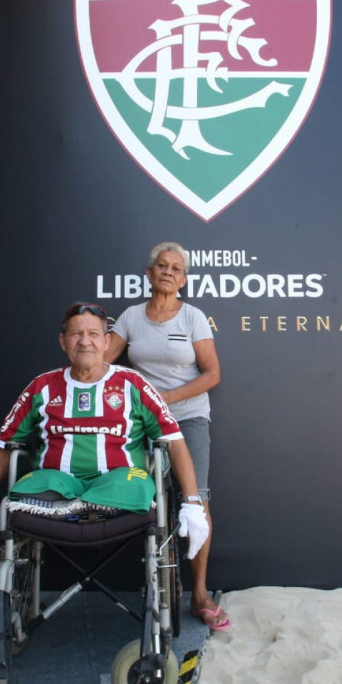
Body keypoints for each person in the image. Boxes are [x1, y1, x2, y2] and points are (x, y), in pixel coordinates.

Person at [0, 302, 210, 570]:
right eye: (75, 334)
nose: (84, 342)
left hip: (119, 481)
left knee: (135, 484)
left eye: (93, 334)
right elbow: (3, 446)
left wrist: (192, 504)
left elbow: (173, 439)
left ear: (106, 342)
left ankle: (83, 504)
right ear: (62, 341)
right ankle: (80, 505)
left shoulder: (134, 384)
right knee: (25, 488)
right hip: (57, 484)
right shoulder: (41, 387)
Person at [105, 242, 227, 630]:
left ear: (184, 280)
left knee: (196, 501)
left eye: (176, 268)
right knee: (142, 497)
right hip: (143, 422)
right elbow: (101, 361)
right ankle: (157, 583)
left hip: (188, 418)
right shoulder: (129, 317)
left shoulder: (192, 317)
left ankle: (202, 594)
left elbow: (212, 374)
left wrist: (168, 398)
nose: (169, 272)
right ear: (149, 273)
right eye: (162, 266)